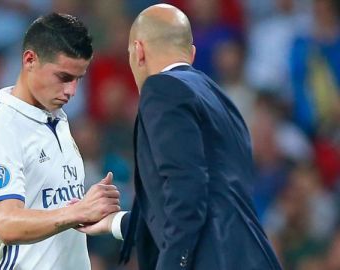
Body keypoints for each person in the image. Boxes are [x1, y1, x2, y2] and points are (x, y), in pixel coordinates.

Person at [77, 4, 283, 270]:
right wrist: (114, 222)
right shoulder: (218, 97)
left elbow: (187, 193)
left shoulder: (161, 89)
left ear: (138, 51)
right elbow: (198, 200)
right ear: (192, 54)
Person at [0, 13, 120, 270]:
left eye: (78, 79)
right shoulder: (2, 130)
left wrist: (90, 206)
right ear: (30, 60)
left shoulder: (58, 122)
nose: (71, 91)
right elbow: (7, 222)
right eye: (64, 77)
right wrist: (78, 211)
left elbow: (53, 209)